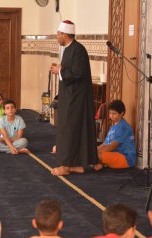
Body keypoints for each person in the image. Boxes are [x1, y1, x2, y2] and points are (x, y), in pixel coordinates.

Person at [50, 20, 98, 176]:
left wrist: (60, 71)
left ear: (64, 34)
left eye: (58, 34)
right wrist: (60, 69)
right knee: (69, 129)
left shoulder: (78, 50)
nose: (57, 36)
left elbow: (78, 73)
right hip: (69, 96)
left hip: (76, 98)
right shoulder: (68, 49)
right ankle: (76, 165)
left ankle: (65, 166)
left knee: (69, 130)